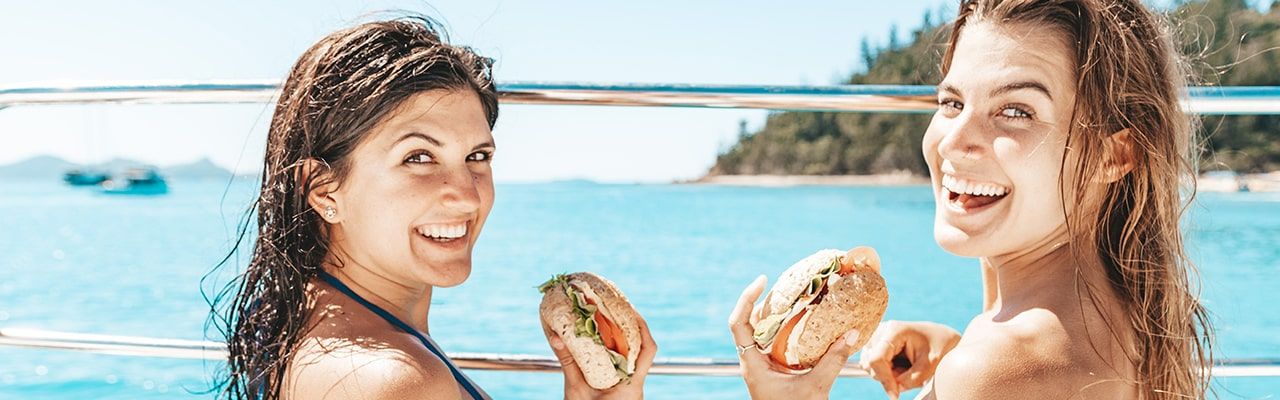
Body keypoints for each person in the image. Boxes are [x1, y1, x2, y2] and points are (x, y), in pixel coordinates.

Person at [730, 0, 1213, 399]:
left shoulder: (996, 369)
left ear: (1115, 154)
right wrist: (955, 353)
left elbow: (1012, 373)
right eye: (952, 103)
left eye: (1016, 110)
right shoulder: (1121, 306)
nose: (953, 142)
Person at [210, 17, 655, 399]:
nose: (467, 196)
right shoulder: (397, 383)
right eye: (418, 158)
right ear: (324, 189)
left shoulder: (298, 313)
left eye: (477, 157)